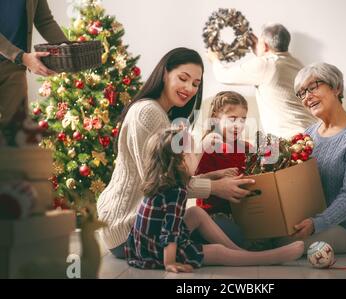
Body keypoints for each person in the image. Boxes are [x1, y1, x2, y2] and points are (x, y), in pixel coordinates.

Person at [97, 48, 254, 259]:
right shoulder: (148, 113)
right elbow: (159, 184)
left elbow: (171, 180)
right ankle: (250, 257)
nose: (189, 88)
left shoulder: (162, 115)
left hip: (130, 224)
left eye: (196, 84)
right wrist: (216, 187)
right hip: (128, 229)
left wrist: (209, 179)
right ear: (164, 73)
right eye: (183, 78)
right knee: (229, 235)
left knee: (227, 233)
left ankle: (244, 255)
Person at [125, 128, 305, 273]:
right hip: (158, 252)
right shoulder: (176, 192)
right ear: (181, 161)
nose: (197, 155)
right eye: (192, 153)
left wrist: (213, 175)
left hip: (143, 245)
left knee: (195, 212)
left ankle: (238, 253)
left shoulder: (165, 180)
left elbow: (192, 183)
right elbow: (169, 231)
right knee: (217, 252)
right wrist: (170, 263)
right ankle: (265, 258)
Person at [273, 62, 346, 254]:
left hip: (344, 229)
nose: (307, 97)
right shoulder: (310, 133)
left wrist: (317, 223)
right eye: (302, 93)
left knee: (282, 242)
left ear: (336, 87)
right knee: (263, 232)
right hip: (308, 219)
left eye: (313, 87)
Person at [207, 23, 316, 139]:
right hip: (313, 133)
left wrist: (214, 59)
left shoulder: (266, 64)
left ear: (265, 45)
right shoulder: (299, 65)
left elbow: (223, 76)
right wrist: (260, 53)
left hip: (292, 141)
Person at [0, 0, 67, 145]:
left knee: (13, 135)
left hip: (13, 67)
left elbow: (44, 21)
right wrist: (21, 57)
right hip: (18, 58)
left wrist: (67, 49)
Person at [195, 91, 251, 247]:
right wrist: (216, 176)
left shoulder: (247, 147)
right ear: (216, 117)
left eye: (243, 120)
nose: (238, 125)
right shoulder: (208, 146)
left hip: (243, 212)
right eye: (232, 119)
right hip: (213, 215)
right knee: (240, 240)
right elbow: (194, 181)